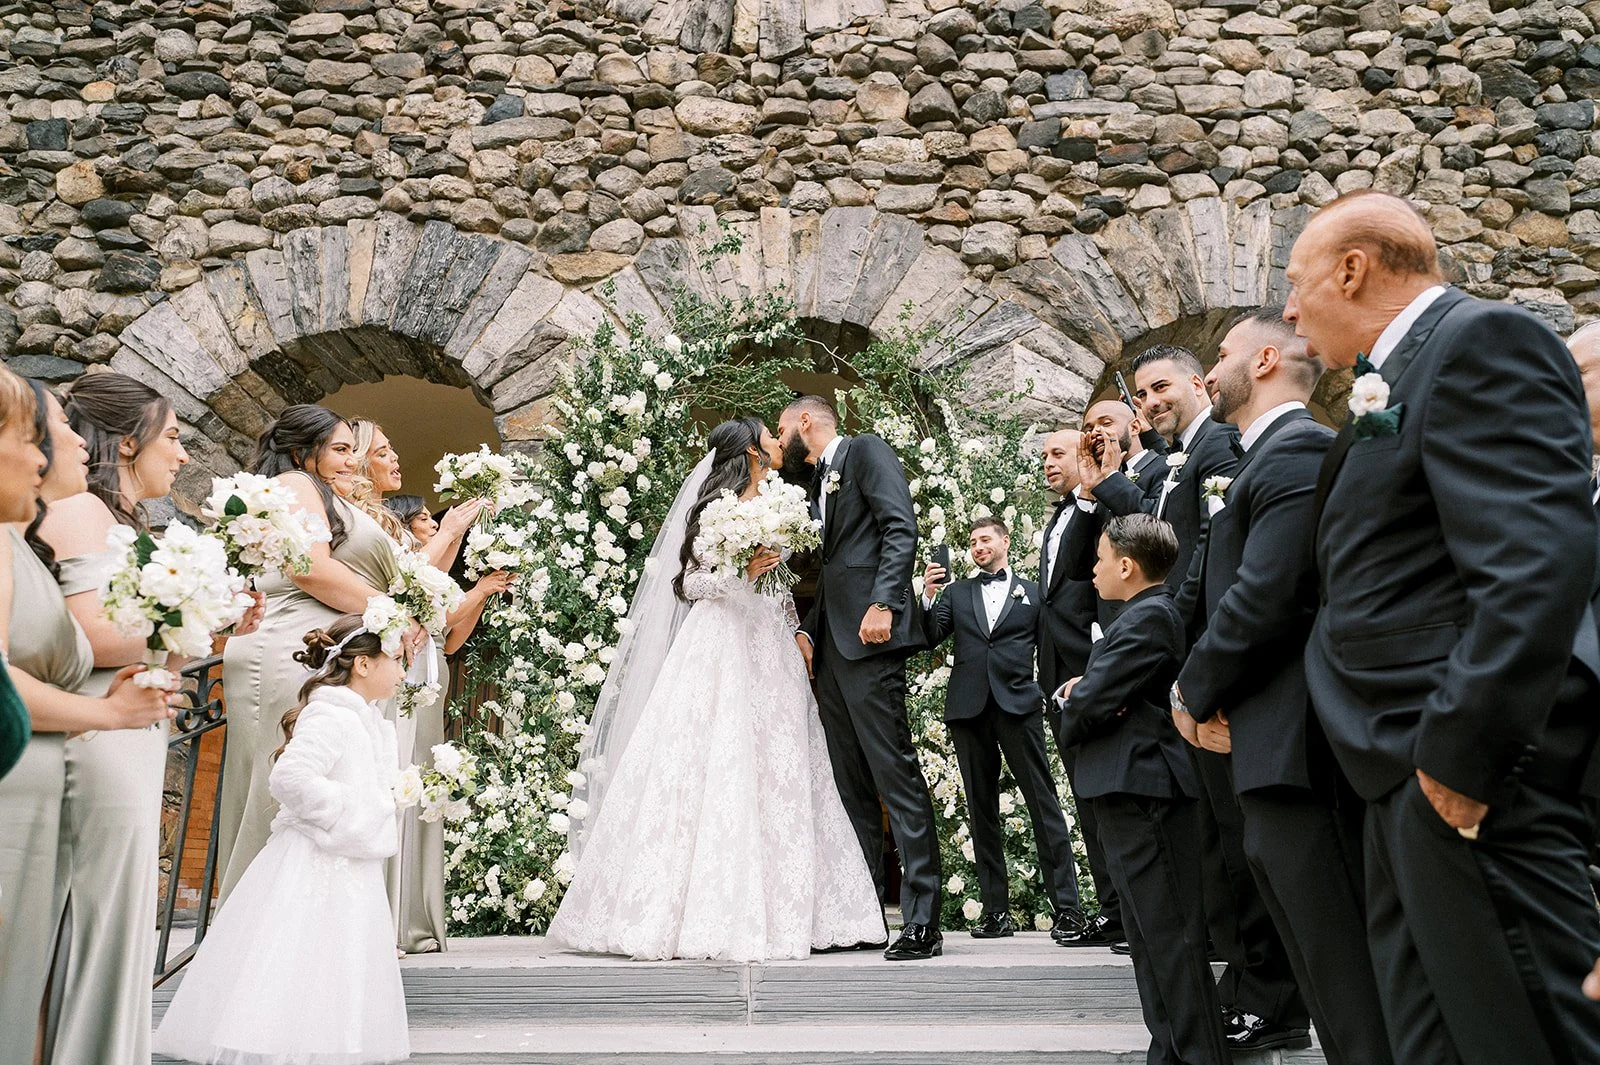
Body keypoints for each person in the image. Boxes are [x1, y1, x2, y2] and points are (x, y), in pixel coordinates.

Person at [1288, 189, 1600, 1064]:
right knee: (1431, 1044)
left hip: (1460, 779)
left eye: (1295, 279)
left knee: (1530, 1037)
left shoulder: (1482, 344)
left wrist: (1459, 761)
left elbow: (1536, 566)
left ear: (1352, 270)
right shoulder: (1399, 374)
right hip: (1393, 773)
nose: (1287, 307)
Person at [547, 417, 885, 961]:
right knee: (714, 762)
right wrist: (740, 573)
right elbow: (690, 583)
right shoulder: (711, 510)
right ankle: (695, 911)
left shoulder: (782, 503)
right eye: (771, 438)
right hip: (721, 644)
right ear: (753, 451)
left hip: (770, 645)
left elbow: (778, 586)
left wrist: (796, 628)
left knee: (779, 765)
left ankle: (791, 910)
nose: (780, 444)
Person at [1170, 309, 1388, 1062]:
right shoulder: (1269, 457)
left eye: (1222, 353)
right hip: (1268, 747)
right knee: (1317, 963)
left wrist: (1187, 692)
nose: (1211, 370)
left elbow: (1264, 598)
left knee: (1342, 964)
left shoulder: (1297, 453)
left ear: (1263, 361)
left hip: (1297, 748)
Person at [1079, 348, 1309, 1049]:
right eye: (1142, 391)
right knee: (1214, 849)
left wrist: (1163, 643)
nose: (1148, 400)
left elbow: (1198, 563)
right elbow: (1164, 545)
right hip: (1188, 673)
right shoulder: (1182, 455)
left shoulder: (1222, 447)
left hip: (1214, 674)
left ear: (1200, 382)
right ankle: (1234, 986)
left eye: (1161, 386)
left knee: (1242, 848)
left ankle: (1271, 997)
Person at [36, 372, 259, 1065]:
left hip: (130, 729)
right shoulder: (77, 512)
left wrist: (204, 613)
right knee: (97, 916)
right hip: (97, 733)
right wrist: (200, 614)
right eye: (173, 437)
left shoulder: (119, 520)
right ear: (126, 442)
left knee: (123, 915)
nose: (184, 454)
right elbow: (82, 634)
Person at [0, 376, 179, 1065]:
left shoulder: (23, 539)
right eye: (41, 431)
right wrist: (105, 711)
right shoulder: (57, 524)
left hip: (83, 747)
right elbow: (81, 639)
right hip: (61, 763)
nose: (67, 440)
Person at [154, 615, 410, 1065]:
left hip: (350, 862)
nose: (404, 671)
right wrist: (349, 813)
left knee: (340, 956)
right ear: (363, 665)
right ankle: (278, 1041)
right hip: (316, 857)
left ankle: (329, 1042)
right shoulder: (331, 714)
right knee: (295, 951)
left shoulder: (367, 720)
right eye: (396, 659)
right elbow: (290, 778)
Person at [218, 405, 414, 901]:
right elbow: (309, 570)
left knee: (321, 782)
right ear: (303, 452)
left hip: (316, 650)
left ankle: (304, 920)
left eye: (353, 450)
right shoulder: (298, 485)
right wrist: (394, 615)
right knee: (283, 785)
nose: (352, 461)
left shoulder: (321, 493)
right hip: (288, 650)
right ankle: (257, 918)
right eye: (340, 450)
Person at [1055, 514, 1228, 1065]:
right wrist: (1093, 694)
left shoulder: (1149, 618)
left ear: (1127, 566)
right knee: (1149, 939)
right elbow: (1105, 693)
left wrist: (1074, 701)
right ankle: (1170, 1051)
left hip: (1145, 788)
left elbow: (1092, 701)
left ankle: (1197, 1055)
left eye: (1101, 558)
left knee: (1171, 938)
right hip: (1126, 787)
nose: (1094, 567)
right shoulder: (1138, 617)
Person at [778, 395, 942, 961]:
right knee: (849, 787)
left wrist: (885, 604)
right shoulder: (820, 483)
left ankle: (923, 920)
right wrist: (809, 631)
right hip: (834, 650)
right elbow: (835, 567)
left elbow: (901, 527)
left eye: (783, 429)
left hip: (871, 644)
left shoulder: (867, 452)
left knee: (894, 776)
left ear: (806, 422)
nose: (783, 441)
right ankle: (864, 912)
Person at [917, 516, 1084, 940]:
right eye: (972, 542)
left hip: (1018, 707)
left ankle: (1068, 909)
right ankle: (995, 913)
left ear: (1004, 541)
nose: (977, 546)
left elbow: (1047, 646)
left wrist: (1047, 695)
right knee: (982, 811)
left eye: (985, 539)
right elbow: (930, 636)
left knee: (1043, 804)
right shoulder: (956, 593)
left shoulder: (1032, 592)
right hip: (968, 709)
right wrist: (928, 595)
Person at [348, 417, 479, 955]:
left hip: (411, 663)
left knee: (403, 783)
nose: (396, 458)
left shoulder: (390, 526)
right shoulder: (361, 522)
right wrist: (448, 531)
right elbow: (398, 587)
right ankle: (375, 918)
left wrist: (455, 536)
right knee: (382, 780)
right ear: (360, 463)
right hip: (380, 664)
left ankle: (401, 919)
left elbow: (426, 584)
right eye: (383, 452)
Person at [1033, 428, 1123, 950]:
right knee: (1085, 794)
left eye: (1058, 454)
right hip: (1056, 669)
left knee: (1105, 790)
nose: (1048, 463)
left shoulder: (1104, 508)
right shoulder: (1062, 512)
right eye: (1044, 455)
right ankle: (1112, 909)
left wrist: (1090, 496)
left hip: (1094, 664)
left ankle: (1126, 910)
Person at [384, 494, 511, 655]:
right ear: (403, 524)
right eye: (423, 519)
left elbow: (450, 645)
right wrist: (480, 590)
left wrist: (486, 592)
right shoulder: (398, 574)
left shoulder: (433, 576)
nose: (434, 524)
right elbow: (448, 617)